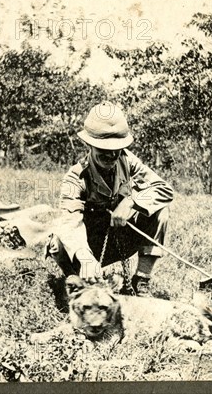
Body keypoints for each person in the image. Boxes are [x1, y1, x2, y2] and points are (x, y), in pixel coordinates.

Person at [45, 101, 174, 297]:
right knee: (58, 242)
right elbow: (70, 224)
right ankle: (78, 282)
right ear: (89, 145)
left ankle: (141, 280)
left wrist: (131, 202)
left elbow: (164, 189)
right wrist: (86, 259)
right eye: (104, 150)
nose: (112, 155)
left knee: (160, 211)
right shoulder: (75, 177)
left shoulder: (128, 161)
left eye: (117, 149)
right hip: (88, 245)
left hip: (120, 237)